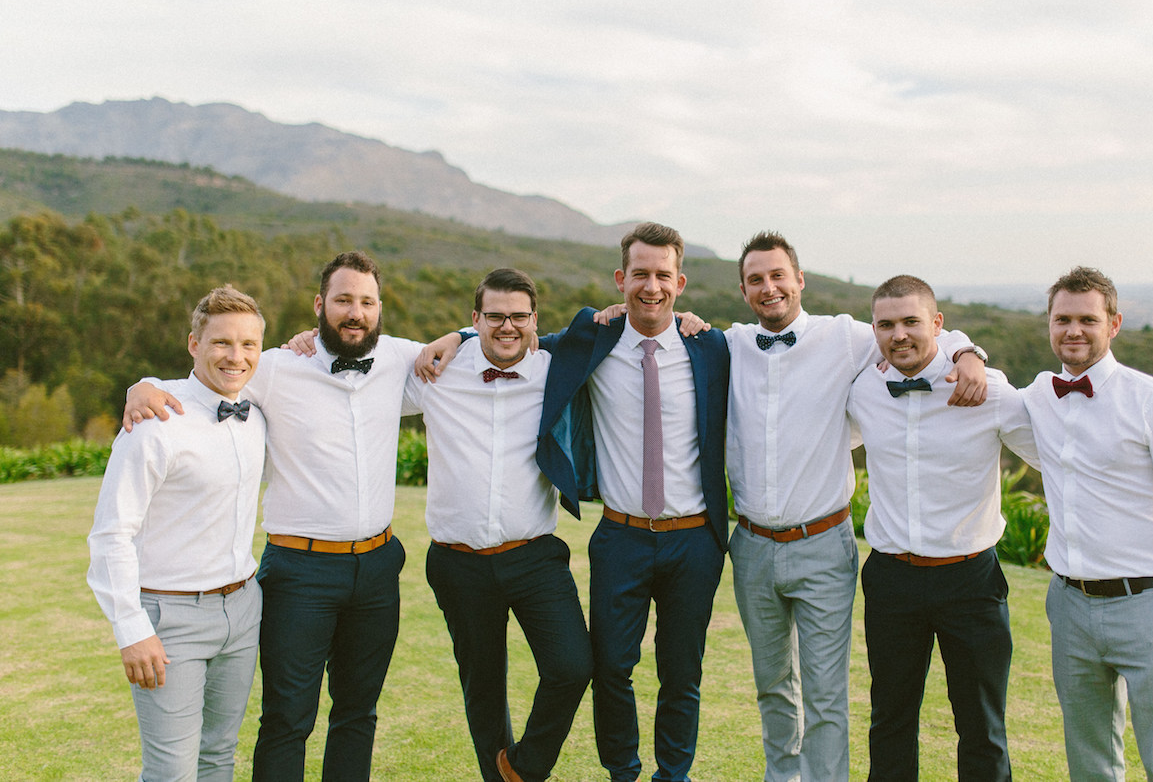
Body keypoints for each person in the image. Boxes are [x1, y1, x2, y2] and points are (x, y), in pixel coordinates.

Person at [122, 251, 428, 782]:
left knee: (358, 713)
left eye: (367, 302)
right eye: (343, 301)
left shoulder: (400, 359)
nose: (355, 312)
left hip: (378, 568)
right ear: (319, 305)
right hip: (298, 572)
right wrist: (142, 385)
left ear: (379, 309)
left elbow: (479, 346)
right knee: (288, 717)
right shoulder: (274, 367)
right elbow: (203, 380)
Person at [724, 232, 987, 782]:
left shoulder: (846, 338)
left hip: (822, 543)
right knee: (772, 684)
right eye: (756, 279)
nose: (768, 288)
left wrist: (967, 352)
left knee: (824, 691)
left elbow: (915, 331)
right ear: (744, 290)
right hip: (748, 546)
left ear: (800, 281)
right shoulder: (730, 345)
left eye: (778, 276)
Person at [539, 222, 729, 782]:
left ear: (680, 281)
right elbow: (515, 337)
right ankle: (622, 771)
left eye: (662, 275)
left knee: (681, 673)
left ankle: (674, 775)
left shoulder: (711, 347)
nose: (651, 286)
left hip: (694, 540)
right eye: (640, 274)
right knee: (612, 667)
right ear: (621, 279)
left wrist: (967, 349)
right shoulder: (591, 339)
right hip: (620, 536)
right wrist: (458, 335)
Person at [1023, 266, 1153, 781]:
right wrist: (966, 353)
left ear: (1113, 324)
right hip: (1070, 605)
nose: (1073, 330)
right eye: (1062, 318)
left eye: (1087, 319)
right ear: (1048, 324)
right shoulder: (1039, 397)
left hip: (1150, 607)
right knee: (1089, 760)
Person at [848, 275, 1037, 782]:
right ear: (875, 330)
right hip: (891, 579)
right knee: (889, 721)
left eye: (912, 321)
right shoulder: (865, 388)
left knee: (981, 727)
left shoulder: (989, 390)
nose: (899, 334)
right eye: (886, 325)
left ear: (937, 324)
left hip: (970, 582)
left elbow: (1055, 457)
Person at [409, 268, 592, 782]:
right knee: (483, 687)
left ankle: (523, 768)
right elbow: (361, 357)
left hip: (534, 555)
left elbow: (618, 333)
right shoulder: (433, 370)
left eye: (518, 316)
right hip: (456, 562)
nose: (506, 326)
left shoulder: (555, 370)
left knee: (573, 666)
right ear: (475, 318)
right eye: (494, 316)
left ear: (535, 321)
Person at [88, 285, 267, 781]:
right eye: (221, 343)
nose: (236, 356)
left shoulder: (255, 410)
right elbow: (110, 534)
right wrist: (131, 629)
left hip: (242, 609)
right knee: (171, 772)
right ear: (193, 344)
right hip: (170, 619)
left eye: (248, 345)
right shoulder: (154, 422)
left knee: (219, 757)